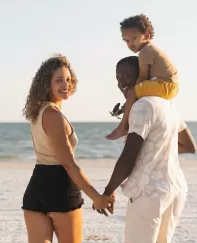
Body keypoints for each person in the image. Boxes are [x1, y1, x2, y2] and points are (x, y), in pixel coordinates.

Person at [99, 56, 196, 243]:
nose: (121, 83)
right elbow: (188, 146)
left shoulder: (142, 106)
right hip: (174, 190)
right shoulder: (167, 104)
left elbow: (129, 156)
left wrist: (107, 191)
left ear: (143, 75)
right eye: (118, 78)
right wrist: (156, 147)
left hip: (149, 194)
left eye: (126, 75)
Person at [21, 54, 114, 243]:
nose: (66, 84)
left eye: (69, 79)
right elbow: (68, 163)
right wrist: (96, 197)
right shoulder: (53, 115)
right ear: (46, 84)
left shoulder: (37, 112)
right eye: (59, 80)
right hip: (60, 190)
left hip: (36, 189)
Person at [106, 14, 179, 140]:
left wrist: (133, 95)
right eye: (126, 41)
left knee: (133, 91)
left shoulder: (145, 52)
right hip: (168, 86)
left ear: (146, 36)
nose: (130, 44)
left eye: (134, 38)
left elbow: (143, 76)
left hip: (165, 85)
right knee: (135, 92)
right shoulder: (150, 50)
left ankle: (123, 126)